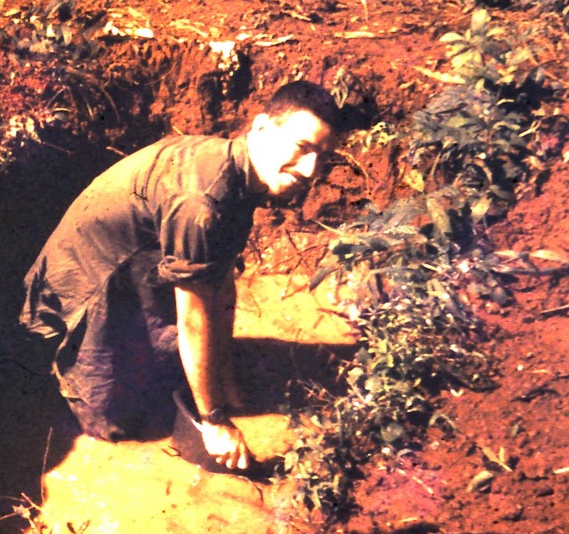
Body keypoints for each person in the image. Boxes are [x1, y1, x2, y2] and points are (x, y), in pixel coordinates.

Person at [21, 81, 339, 471]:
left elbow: (220, 279)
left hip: (138, 267)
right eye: (303, 148)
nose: (311, 170)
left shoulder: (238, 171)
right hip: (88, 282)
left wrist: (223, 377)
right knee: (115, 426)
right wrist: (216, 422)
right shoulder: (202, 201)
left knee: (173, 373)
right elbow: (193, 318)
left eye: (323, 157)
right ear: (261, 128)